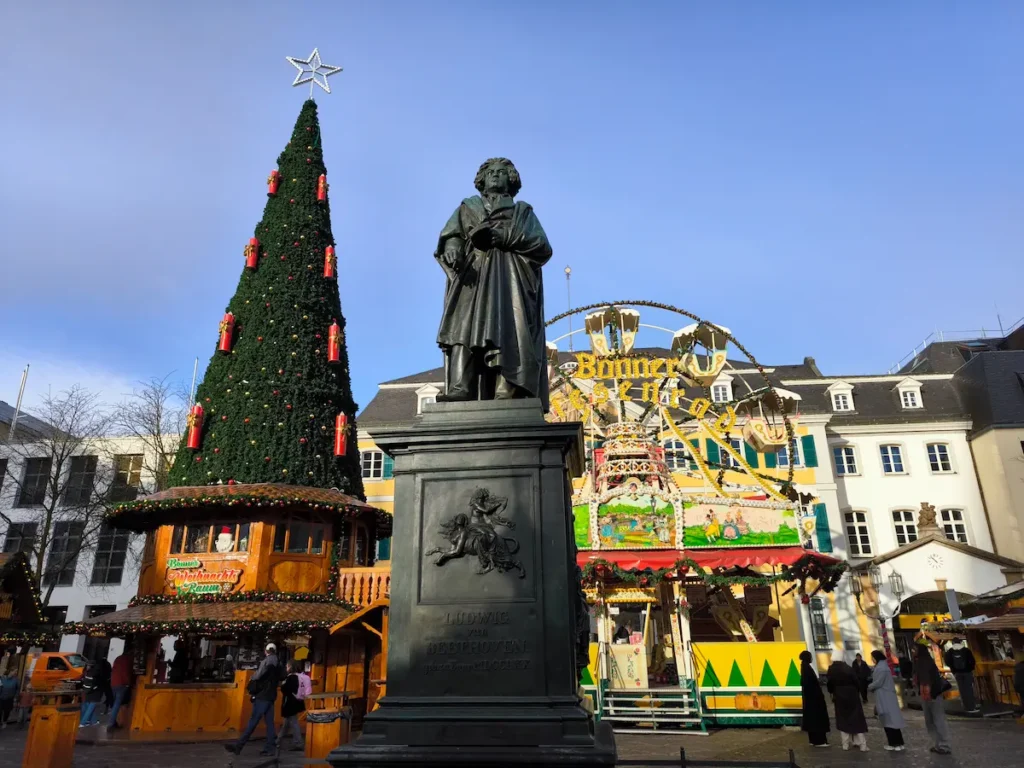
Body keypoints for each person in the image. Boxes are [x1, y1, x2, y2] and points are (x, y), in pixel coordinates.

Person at [434, 157, 553, 405]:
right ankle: (460, 386)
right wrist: (454, 248)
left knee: (507, 328)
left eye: (501, 172)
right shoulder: (468, 208)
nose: (496, 176)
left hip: (510, 280)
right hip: (472, 277)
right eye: (491, 172)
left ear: (511, 179)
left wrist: (502, 237)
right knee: (462, 328)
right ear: (482, 180)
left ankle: (507, 388)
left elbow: (541, 246)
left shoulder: (522, 212)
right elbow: (452, 236)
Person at [225, 643, 281, 757]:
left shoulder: (266, 662)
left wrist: (252, 678)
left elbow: (258, 676)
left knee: (253, 721)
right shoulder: (278, 662)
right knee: (270, 723)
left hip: (262, 695)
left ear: (266, 651)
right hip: (271, 695)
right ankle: (270, 748)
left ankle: (239, 746)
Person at [915, 637, 952, 755]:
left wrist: (926, 690)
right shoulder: (920, 661)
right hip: (928, 694)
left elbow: (925, 679)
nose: (912, 651)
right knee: (931, 720)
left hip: (932, 694)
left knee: (937, 719)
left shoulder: (923, 661)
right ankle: (938, 744)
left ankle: (944, 745)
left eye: (914, 649)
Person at [826, 654, 869, 751]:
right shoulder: (848, 668)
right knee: (857, 719)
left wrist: (832, 693)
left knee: (843, 720)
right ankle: (862, 744)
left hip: (839, 696)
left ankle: (845, 744)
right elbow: (856, 682)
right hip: (852, 695)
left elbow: (829, 684)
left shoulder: (831, 669)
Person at [868, 650, 906, 751]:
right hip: (886, 697)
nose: (871, 659)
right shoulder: (883, 667)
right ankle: (899, 743)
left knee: (889, 721)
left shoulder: (881, 668)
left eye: (872, 657)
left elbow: (878, 682)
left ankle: (894, 743)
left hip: (885, 697)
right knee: (893, 721)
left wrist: (869, 686)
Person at [798, 651, 830, 747]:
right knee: (817, 720)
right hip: (814, 700)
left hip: (810, 700)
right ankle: (819, 740)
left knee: (812, 720)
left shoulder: (805, 667)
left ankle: (813, 739)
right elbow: (811, 685)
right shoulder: (807, 669)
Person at [943, 637, 978, 713]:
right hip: (967, 672)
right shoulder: (966, 650)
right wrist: (969, 669)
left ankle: (965, 706)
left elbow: (947, 662)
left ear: (953, 643)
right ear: (960, 642)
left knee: (962, 689)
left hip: (957, 674)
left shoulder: (950, 651)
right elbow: (972, 661)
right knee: (969, 689)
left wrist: (954, 670)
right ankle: (971, 707)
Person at [278, 662, 305, 752]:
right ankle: (278, 740)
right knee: (287, 723)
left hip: (289, 703)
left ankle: (298, 743)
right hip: (295, 703)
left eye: (287, 666)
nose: (286, 668)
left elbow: (285, 689)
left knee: (293, 723)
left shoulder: (290, 678)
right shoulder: (299, 677)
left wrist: (282, 684)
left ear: (290, 667)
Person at [108, 643, 134, 729]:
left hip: (114, 683)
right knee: (117, 704)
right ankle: (111, 723)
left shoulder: (118, 658)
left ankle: (114, 721)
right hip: (122, 683)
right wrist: (128, 683)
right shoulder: (127, 660)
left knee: (115, 703)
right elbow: (126, 673)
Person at [79, 659, 107, 727]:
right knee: (91, 708)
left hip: (88, 691)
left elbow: (84, 680)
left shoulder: (87, 672)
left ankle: (93, 721)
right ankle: (83, 722)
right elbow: (101, 682)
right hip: (96, 692)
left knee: (89, 707)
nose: (87, 666)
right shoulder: (98, 672)